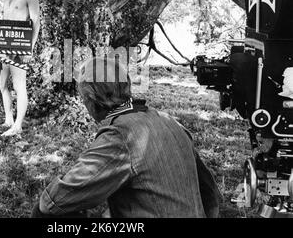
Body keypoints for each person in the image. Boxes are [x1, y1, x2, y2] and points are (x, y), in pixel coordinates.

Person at [31, 56, 221, 218]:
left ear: (91, 101)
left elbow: (53, 201)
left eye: (84, 99)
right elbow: (210, 193)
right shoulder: (169, 120)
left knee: (46, 213)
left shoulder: (120, 135)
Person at [0, 0, 40, 137]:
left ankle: (18, 125)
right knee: (1, 84)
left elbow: (36, 22)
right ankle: (8, 118)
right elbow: (4, 20)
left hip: (21, 46)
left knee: (19, 85)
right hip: (4, 44)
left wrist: (30, 48)